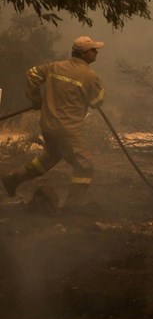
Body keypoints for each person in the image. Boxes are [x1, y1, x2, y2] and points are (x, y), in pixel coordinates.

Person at [1, 36, 106, 206]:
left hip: (48, 125)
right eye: (93, 50)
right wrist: (98, 92)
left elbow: (32, 73)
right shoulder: (89, 75)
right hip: (67, 129)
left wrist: (36, 99)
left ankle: (13, 179)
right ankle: (72, 206)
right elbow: (97, 102)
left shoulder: (55, 67)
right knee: (85, 166)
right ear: (84, 54)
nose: (96, 52)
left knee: (50, 157)